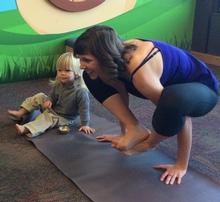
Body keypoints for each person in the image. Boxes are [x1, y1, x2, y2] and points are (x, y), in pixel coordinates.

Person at [73, 25, 219, 185]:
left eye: (86, 60)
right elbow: (121, 96)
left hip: (202, 90)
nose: (81, 65)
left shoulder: (140, 70)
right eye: (80, 59)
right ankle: (136, 129)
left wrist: (179, 164)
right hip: (167, 92)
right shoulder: (115, 59)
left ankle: (149, 143)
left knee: (172, 100)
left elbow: (180, 114)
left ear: (104, 56)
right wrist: (127, 132)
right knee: (91, 76)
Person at [8, 52, 95, 137]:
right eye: (59, 70)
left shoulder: (81, 92)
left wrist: (85, 124)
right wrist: (49, 100)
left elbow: (84, 110)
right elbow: (52, 95)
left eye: (67, 70)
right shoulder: (59, 84)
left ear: (77, 73)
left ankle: (25, 129)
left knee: (47, 118)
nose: (62, 73)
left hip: (63, 118)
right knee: (40, 96)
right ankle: (21, 113)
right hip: (53, 108)